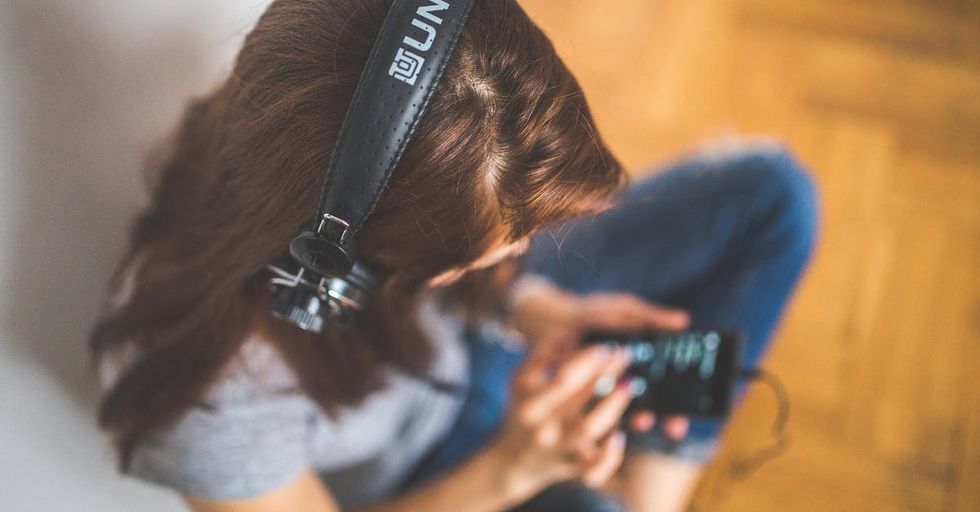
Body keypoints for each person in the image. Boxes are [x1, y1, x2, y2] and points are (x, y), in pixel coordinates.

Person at [90, 0, 818, 511]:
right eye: (492, 247)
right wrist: (513, 468)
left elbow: (483, 252)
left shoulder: (309, 121)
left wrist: (525, 303)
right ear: (336, 270)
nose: (526, 249)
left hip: (474, 337)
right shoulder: (202, 403)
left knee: (771, 195)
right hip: (442, 473)